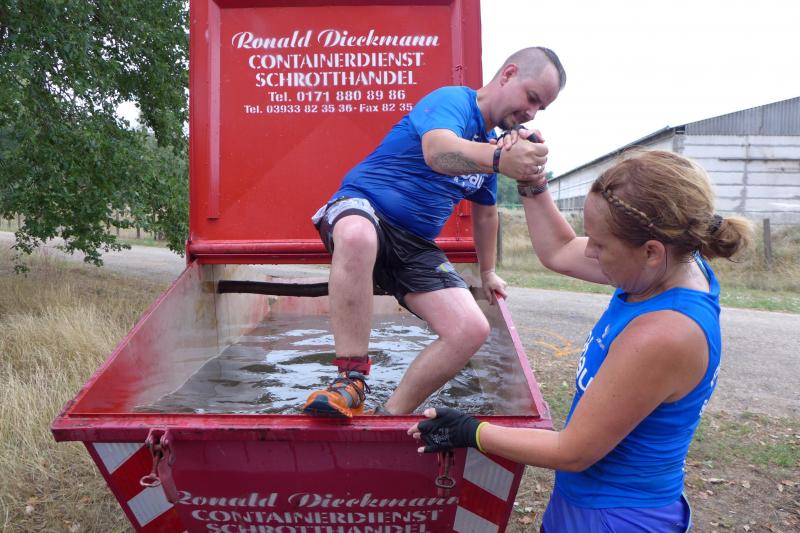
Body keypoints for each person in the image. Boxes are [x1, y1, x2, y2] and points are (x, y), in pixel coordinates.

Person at [408, 149, 753, 531]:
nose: (588, 250)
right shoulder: (666, 268)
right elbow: (558, 249)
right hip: (584, 505)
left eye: (600, 245)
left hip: (615, 519)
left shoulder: (664, 332)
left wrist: (471, 432)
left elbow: (572, 451)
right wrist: (533, 184)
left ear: (651, 252)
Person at [303, 47, 567, 417]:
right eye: (532, 97)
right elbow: (437, 152)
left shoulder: (493, 147)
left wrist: (488, 271)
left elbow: (486, 215)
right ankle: (351, 380)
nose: (532, 113)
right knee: (357, 236)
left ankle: (389, 417)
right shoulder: (454, 101)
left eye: (541, 108)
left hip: (414, 244)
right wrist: (497, 159)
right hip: (363, 207)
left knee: (471, 329)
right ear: (508, 74)